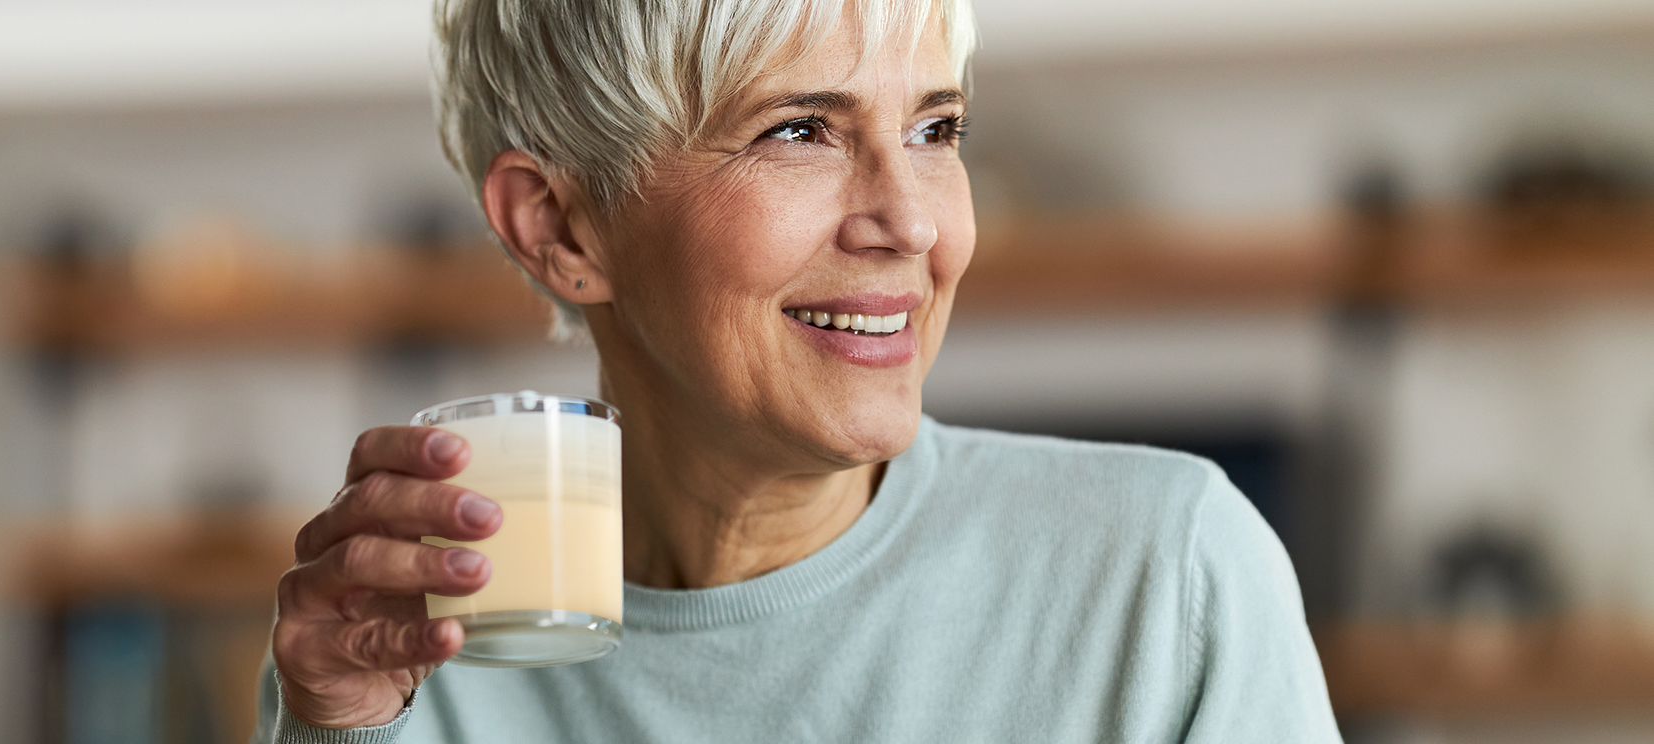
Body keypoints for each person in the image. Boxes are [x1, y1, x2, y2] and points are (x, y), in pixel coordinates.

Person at [255, 0, 1341, 741]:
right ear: (562, 227)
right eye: (800, 130)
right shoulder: (421, 646)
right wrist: (336, 731)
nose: (912, 221)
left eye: (936, 126)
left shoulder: (1166, 580)